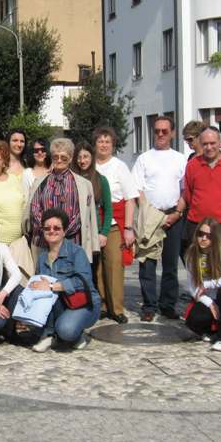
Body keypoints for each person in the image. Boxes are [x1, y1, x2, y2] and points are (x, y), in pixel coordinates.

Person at [131, 116, 188, 322]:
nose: (160, 134)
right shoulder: (144, 159)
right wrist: (150, 214)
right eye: (157, 131)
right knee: (147, 264)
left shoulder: (180, 159)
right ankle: (149, 306)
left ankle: (167, 305)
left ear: (172, 133)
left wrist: (177, 213)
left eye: (165, 131)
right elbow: (137, 188)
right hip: (150, 216)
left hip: (174, 215)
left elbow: (185, 189)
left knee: (170, 265)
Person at [29, 208, 101, 352]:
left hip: (82, 303)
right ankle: (49, 335)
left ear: (64, 231)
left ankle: (74, 334)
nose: (52, 231)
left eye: (57, 228)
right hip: (59, 304)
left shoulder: (77, 252)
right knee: (32, 321)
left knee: (66, 330)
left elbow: (82, 282)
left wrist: (51, 286)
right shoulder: (42, 257)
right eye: (47, 228)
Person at [25, 138, 100, 260]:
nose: (59, 160)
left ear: (70, 158)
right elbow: (34, 208)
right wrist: (49, 230)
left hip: (72, 242)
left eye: (63, 157)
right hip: (43, 243)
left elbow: (82, 215)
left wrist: (61, 233)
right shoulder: (40, 182)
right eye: (56, 157)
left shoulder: (84, 184)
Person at [94, 126, 138, 323]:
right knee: (98, 268)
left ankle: (116, 308)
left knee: (113, 266)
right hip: (94, 222)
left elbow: (130, 199)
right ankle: (103, 305)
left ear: (112, 145)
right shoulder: (89, 164)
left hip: (113, 224)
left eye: (107, 141)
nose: (103, 145)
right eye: (100, 141)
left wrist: (128, 228)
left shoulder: (119, 166)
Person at [183, 217, 221, 351]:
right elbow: (192, 287)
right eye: (201, 234)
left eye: (208, 236)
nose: (204, 238)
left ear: (215, 237)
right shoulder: (191, 253)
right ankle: (211, 332)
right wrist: (210, 303)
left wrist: (207, 284)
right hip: (208, 297)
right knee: (194, 319)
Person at [180, 126, 221, 258]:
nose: (209, 147)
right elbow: (189, 194)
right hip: (197, 224)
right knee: (199, 266)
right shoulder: (192, 165)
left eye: (212, 143)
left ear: (220, 142)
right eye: (205, 144)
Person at [73, 142, 112, 283]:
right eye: (79, 157)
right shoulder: (71, 179)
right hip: (75, 233)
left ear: (92, 158)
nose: (82, 161)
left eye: (86, 157)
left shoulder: (101, 180)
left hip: (93, 233)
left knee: (92, 272)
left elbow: (108, 209)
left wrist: (104, 233)